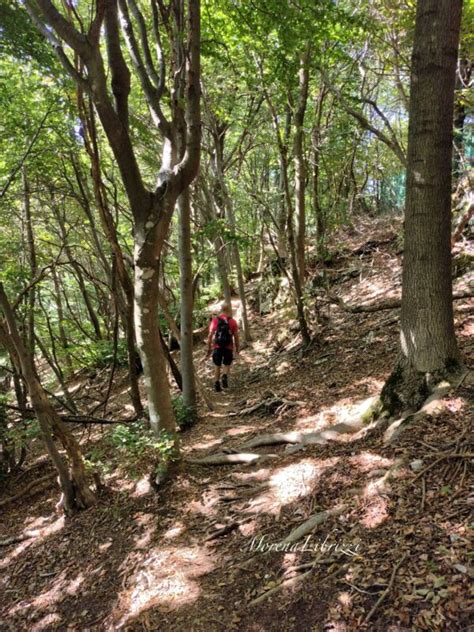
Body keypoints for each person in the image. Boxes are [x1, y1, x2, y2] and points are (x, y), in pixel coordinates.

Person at [207, 303, 239, 392]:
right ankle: (224, 375)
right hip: (228, 347)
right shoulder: (232, 321)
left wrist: (209, 348)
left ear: (221, 309)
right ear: (229, 310)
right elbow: (236, 336)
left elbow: (210, 335)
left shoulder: (215, 321)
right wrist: (237, 348)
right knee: (227, 364)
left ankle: (217, 384)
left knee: (217, 365)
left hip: (217, 346)